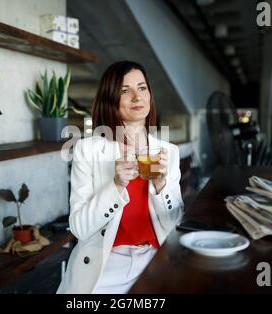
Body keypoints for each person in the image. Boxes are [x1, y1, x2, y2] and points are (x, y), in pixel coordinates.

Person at [57, 61, 184, 294]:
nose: (137, 97)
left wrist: (161, 185)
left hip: (154, 261)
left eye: (142, 88)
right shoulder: (88, 151)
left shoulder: (168, 153)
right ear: (111, 99)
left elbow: (175, 223)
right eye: (125, 91)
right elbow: (79, 228)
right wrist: (115, 185)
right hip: (106, 264)